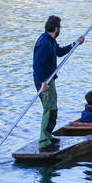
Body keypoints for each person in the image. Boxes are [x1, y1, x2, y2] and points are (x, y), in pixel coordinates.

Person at [33, 16, 86, 150]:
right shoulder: (44, 43)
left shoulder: (51, 40)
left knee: (53, 109)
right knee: (49, 109)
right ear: (56, 29)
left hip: (50, 80)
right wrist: (42, 82)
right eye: (59, 28)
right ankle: (44, 142)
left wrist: (76, 43)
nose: (59, 30)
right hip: (45, 81)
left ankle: (49, 136)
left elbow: (60, 52)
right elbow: (37, 64)